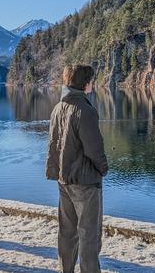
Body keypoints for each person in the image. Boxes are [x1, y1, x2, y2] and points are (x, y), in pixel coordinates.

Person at [46, 65, 109, 273]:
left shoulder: (58, 108)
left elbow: (54, 145)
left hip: (64, 180)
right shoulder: (85, 110)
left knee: (67, 232)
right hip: (85, 182)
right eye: (92, 79)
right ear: (86, 83)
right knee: (89, 236)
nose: (93, 82)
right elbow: (94, 149)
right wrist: (103, 168)